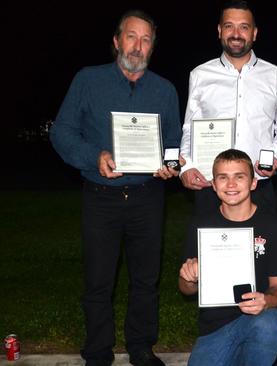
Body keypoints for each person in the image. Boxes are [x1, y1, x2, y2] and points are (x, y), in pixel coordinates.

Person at [49, 10, 181, 366]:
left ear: (153, 47)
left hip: (147, 198)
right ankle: (97, 351)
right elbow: (61, 132)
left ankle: (141, 346)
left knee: (145, 279)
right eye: (132, 37)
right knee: (98, 280)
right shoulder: (87, 81)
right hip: (100, 197)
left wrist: (171, 165)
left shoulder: (165, 90)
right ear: (116, 41)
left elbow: (173, 140)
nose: (138, 46)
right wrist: (95, 156)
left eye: (146, 39)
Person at [179, 149, 277, 366]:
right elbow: (186, 289)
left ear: (252, 183)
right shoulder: (201, 226)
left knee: (268, 322)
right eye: (223, 177)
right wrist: (189, 278)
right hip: (214, 328)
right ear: (213, 185)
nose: (231, 184)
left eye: (239, 176)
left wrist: (265, 300)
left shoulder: (273, 226)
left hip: (256, 319)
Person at [179, 0, 277, 215]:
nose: (236, 33)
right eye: (229, 26)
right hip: (211, 185)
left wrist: (275, 157)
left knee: (261, 248)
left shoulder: (276, 76)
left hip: (259, 184)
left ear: (254, 33)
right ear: (220, 31)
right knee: (210, 248)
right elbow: (190, 127)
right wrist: (187, 166)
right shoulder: (200, 75)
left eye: (244, 27)